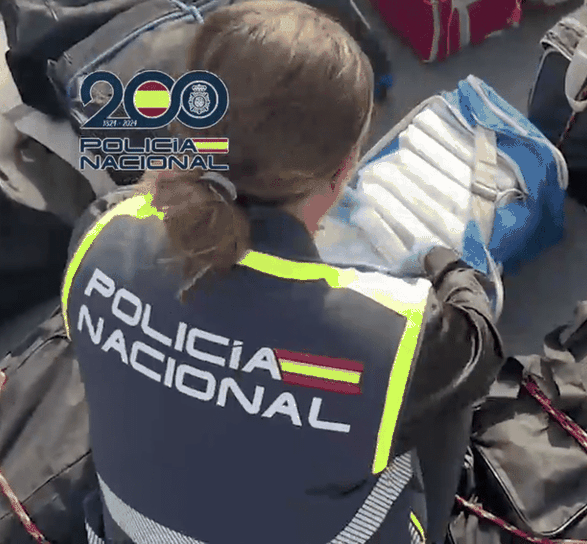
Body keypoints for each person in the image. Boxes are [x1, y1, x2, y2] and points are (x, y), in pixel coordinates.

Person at [61, 2, 504, 543]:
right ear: (344, 172)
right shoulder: (395, 337)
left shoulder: (102, 232)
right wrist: (441, 263)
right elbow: (477, 346)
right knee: (432, 405)